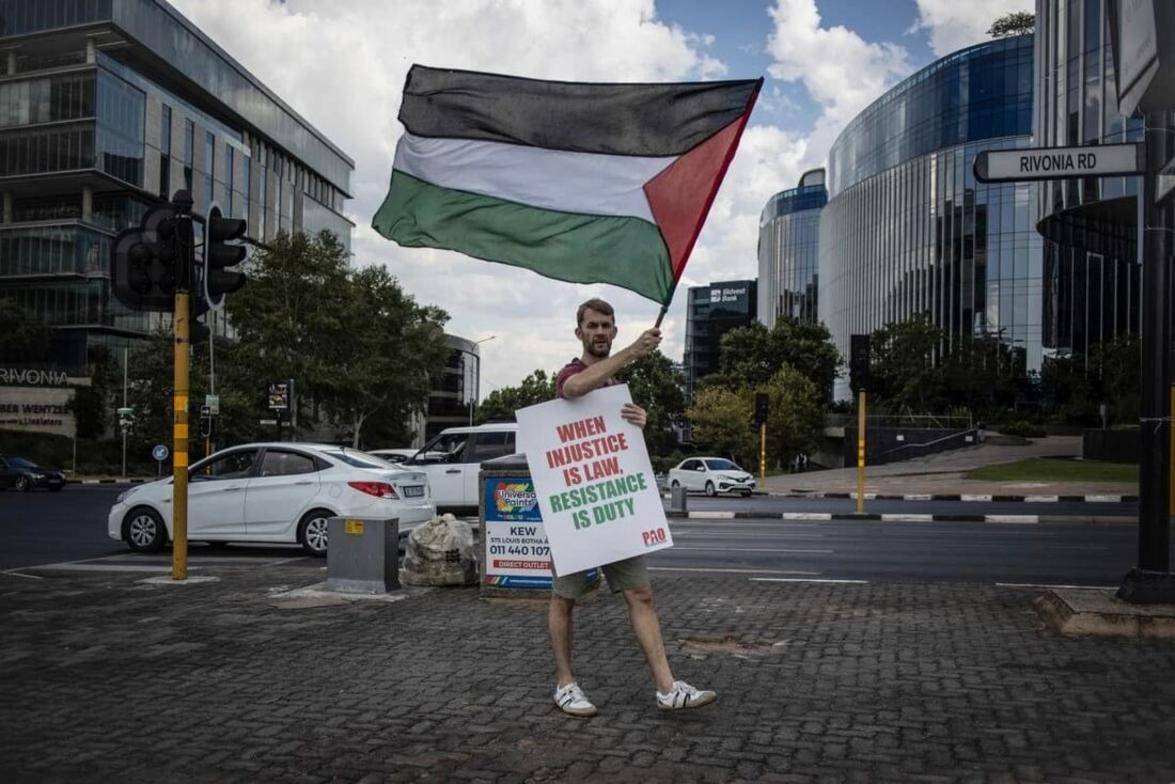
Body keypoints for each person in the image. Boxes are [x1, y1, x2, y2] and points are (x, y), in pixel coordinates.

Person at [548, 297, 717, 717]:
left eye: (607, 325)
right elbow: (572, 390)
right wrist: (635, 352)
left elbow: (618, 449)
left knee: (641, 593)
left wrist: (637, 423)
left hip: (615, 511)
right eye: (593, 325)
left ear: (614, 330)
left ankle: (666, 687)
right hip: (578, 511)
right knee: (565, 599)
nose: (600, 332)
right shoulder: (572, 372)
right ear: (580, 332)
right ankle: (566, 684)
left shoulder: (613, 389)